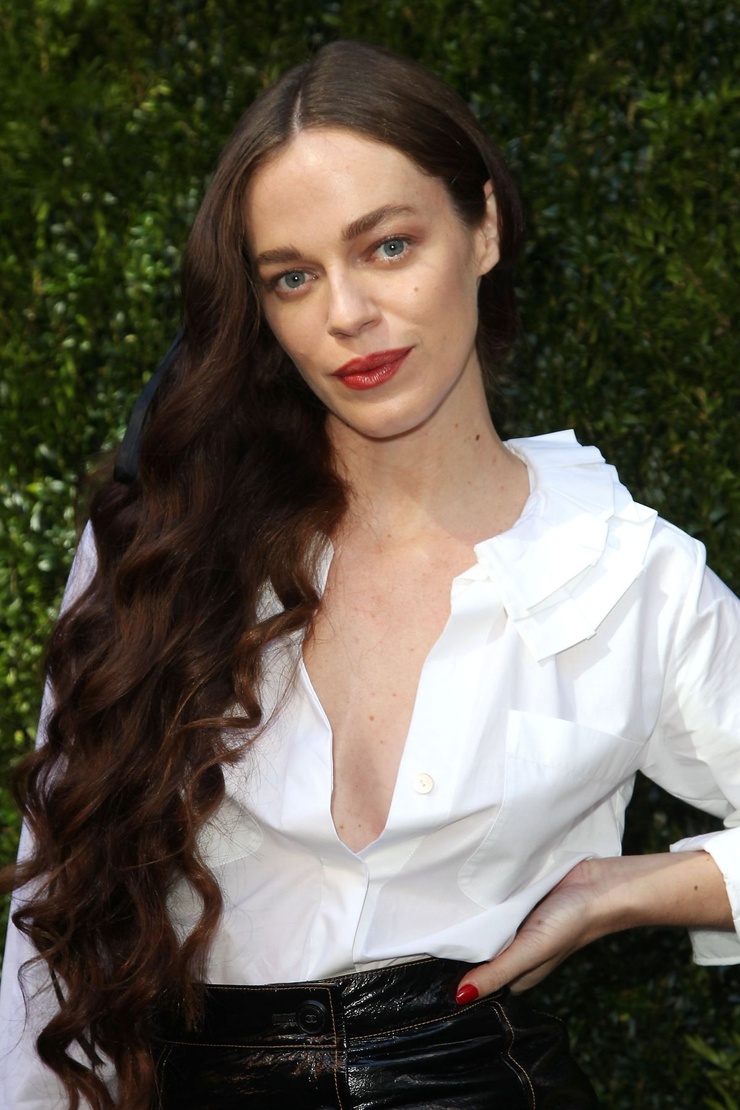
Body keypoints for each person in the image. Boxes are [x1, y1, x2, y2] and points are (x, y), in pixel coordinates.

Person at [1, 39, 739, 1110]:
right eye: (293, 277)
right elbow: (53, 941)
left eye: (388, 246)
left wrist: (624, 893)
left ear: (483, 229)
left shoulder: (627, 574)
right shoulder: (164, 550)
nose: (345, 313)